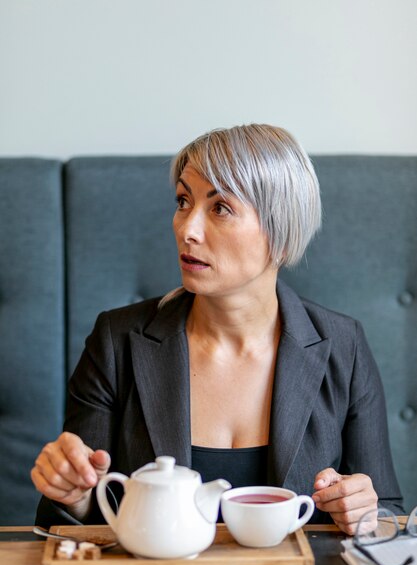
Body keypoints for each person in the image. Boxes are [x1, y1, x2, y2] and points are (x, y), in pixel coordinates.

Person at [31, 123, 403, 534]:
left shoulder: (343, 347)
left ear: (280, 234)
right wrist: (75, 495)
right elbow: (71, 520)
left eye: (220, 208)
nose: (186, 229)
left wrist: (362, 509)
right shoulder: (117, 341)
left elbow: (385, 512)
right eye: (183, 201)